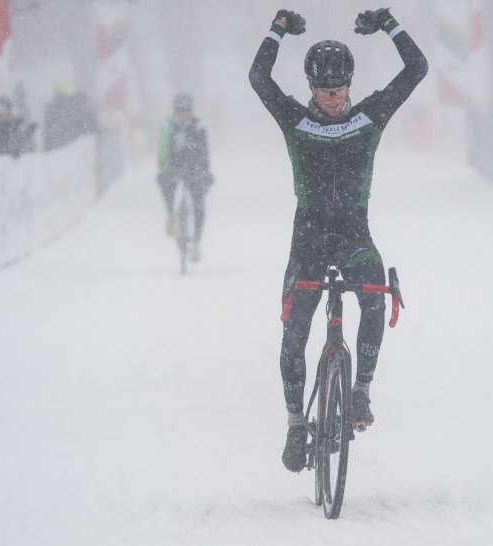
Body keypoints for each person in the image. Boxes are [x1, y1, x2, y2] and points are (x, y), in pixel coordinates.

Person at [249, 8, 427, 472]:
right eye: (324, 92)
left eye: (339, 90)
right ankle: (293, 423)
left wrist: (389, 23)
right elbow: (257, 76)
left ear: (349, 84)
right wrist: (278, 29)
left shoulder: (371, 114)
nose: (332, 98)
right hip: (307, 237)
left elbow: (417, 69)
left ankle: (360, 391)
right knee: (294, 334)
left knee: (372, 296)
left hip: (354, 234)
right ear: (311, 89)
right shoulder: (294, 119)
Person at [156, 93, 213, 262]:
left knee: (199, 206)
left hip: (194, 168)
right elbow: (162, 152)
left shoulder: (198, 127)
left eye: (186, 111)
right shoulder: (168, 127)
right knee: (165, 182)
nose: (183, 115)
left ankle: (195, 244)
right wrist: (165, 168)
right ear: (175, 112)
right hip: (174, 167)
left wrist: (204, 172)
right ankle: (171, 216)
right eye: (180, 111)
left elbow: (204, 153)